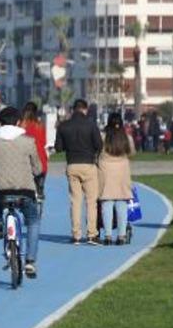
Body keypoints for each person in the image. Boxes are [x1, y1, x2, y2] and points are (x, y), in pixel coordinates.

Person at [0, 107, 43, 277]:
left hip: (0, 191)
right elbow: (37, 168)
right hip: (25, 191)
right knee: (33, 221)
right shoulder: (28, 141)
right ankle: (30, 261)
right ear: (19, 122)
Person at [55, 99, 103, 245]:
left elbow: (58, 148)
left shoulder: (64, 126)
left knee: (75, 201)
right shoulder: (91, 125)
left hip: (72, 164)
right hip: (88, 164)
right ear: (85, 109)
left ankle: (76, 234)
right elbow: (99, 145)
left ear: (73, 109)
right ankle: (92, 234)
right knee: (91, 201)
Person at [97, 113, 135, 245]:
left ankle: (107, 235)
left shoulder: (103, 137)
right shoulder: (127, 138)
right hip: (122, 171)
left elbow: (97, 151)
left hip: (105, 170)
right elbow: (132, 152)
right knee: (121, 203)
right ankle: (121, 235)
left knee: (106, 202)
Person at [19, 102, 48, 200]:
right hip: (40, 159)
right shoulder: (40, 126)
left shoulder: (21, 126)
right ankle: (40, 191)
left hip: (25, 159)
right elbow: (44, 142)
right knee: (39, 181)